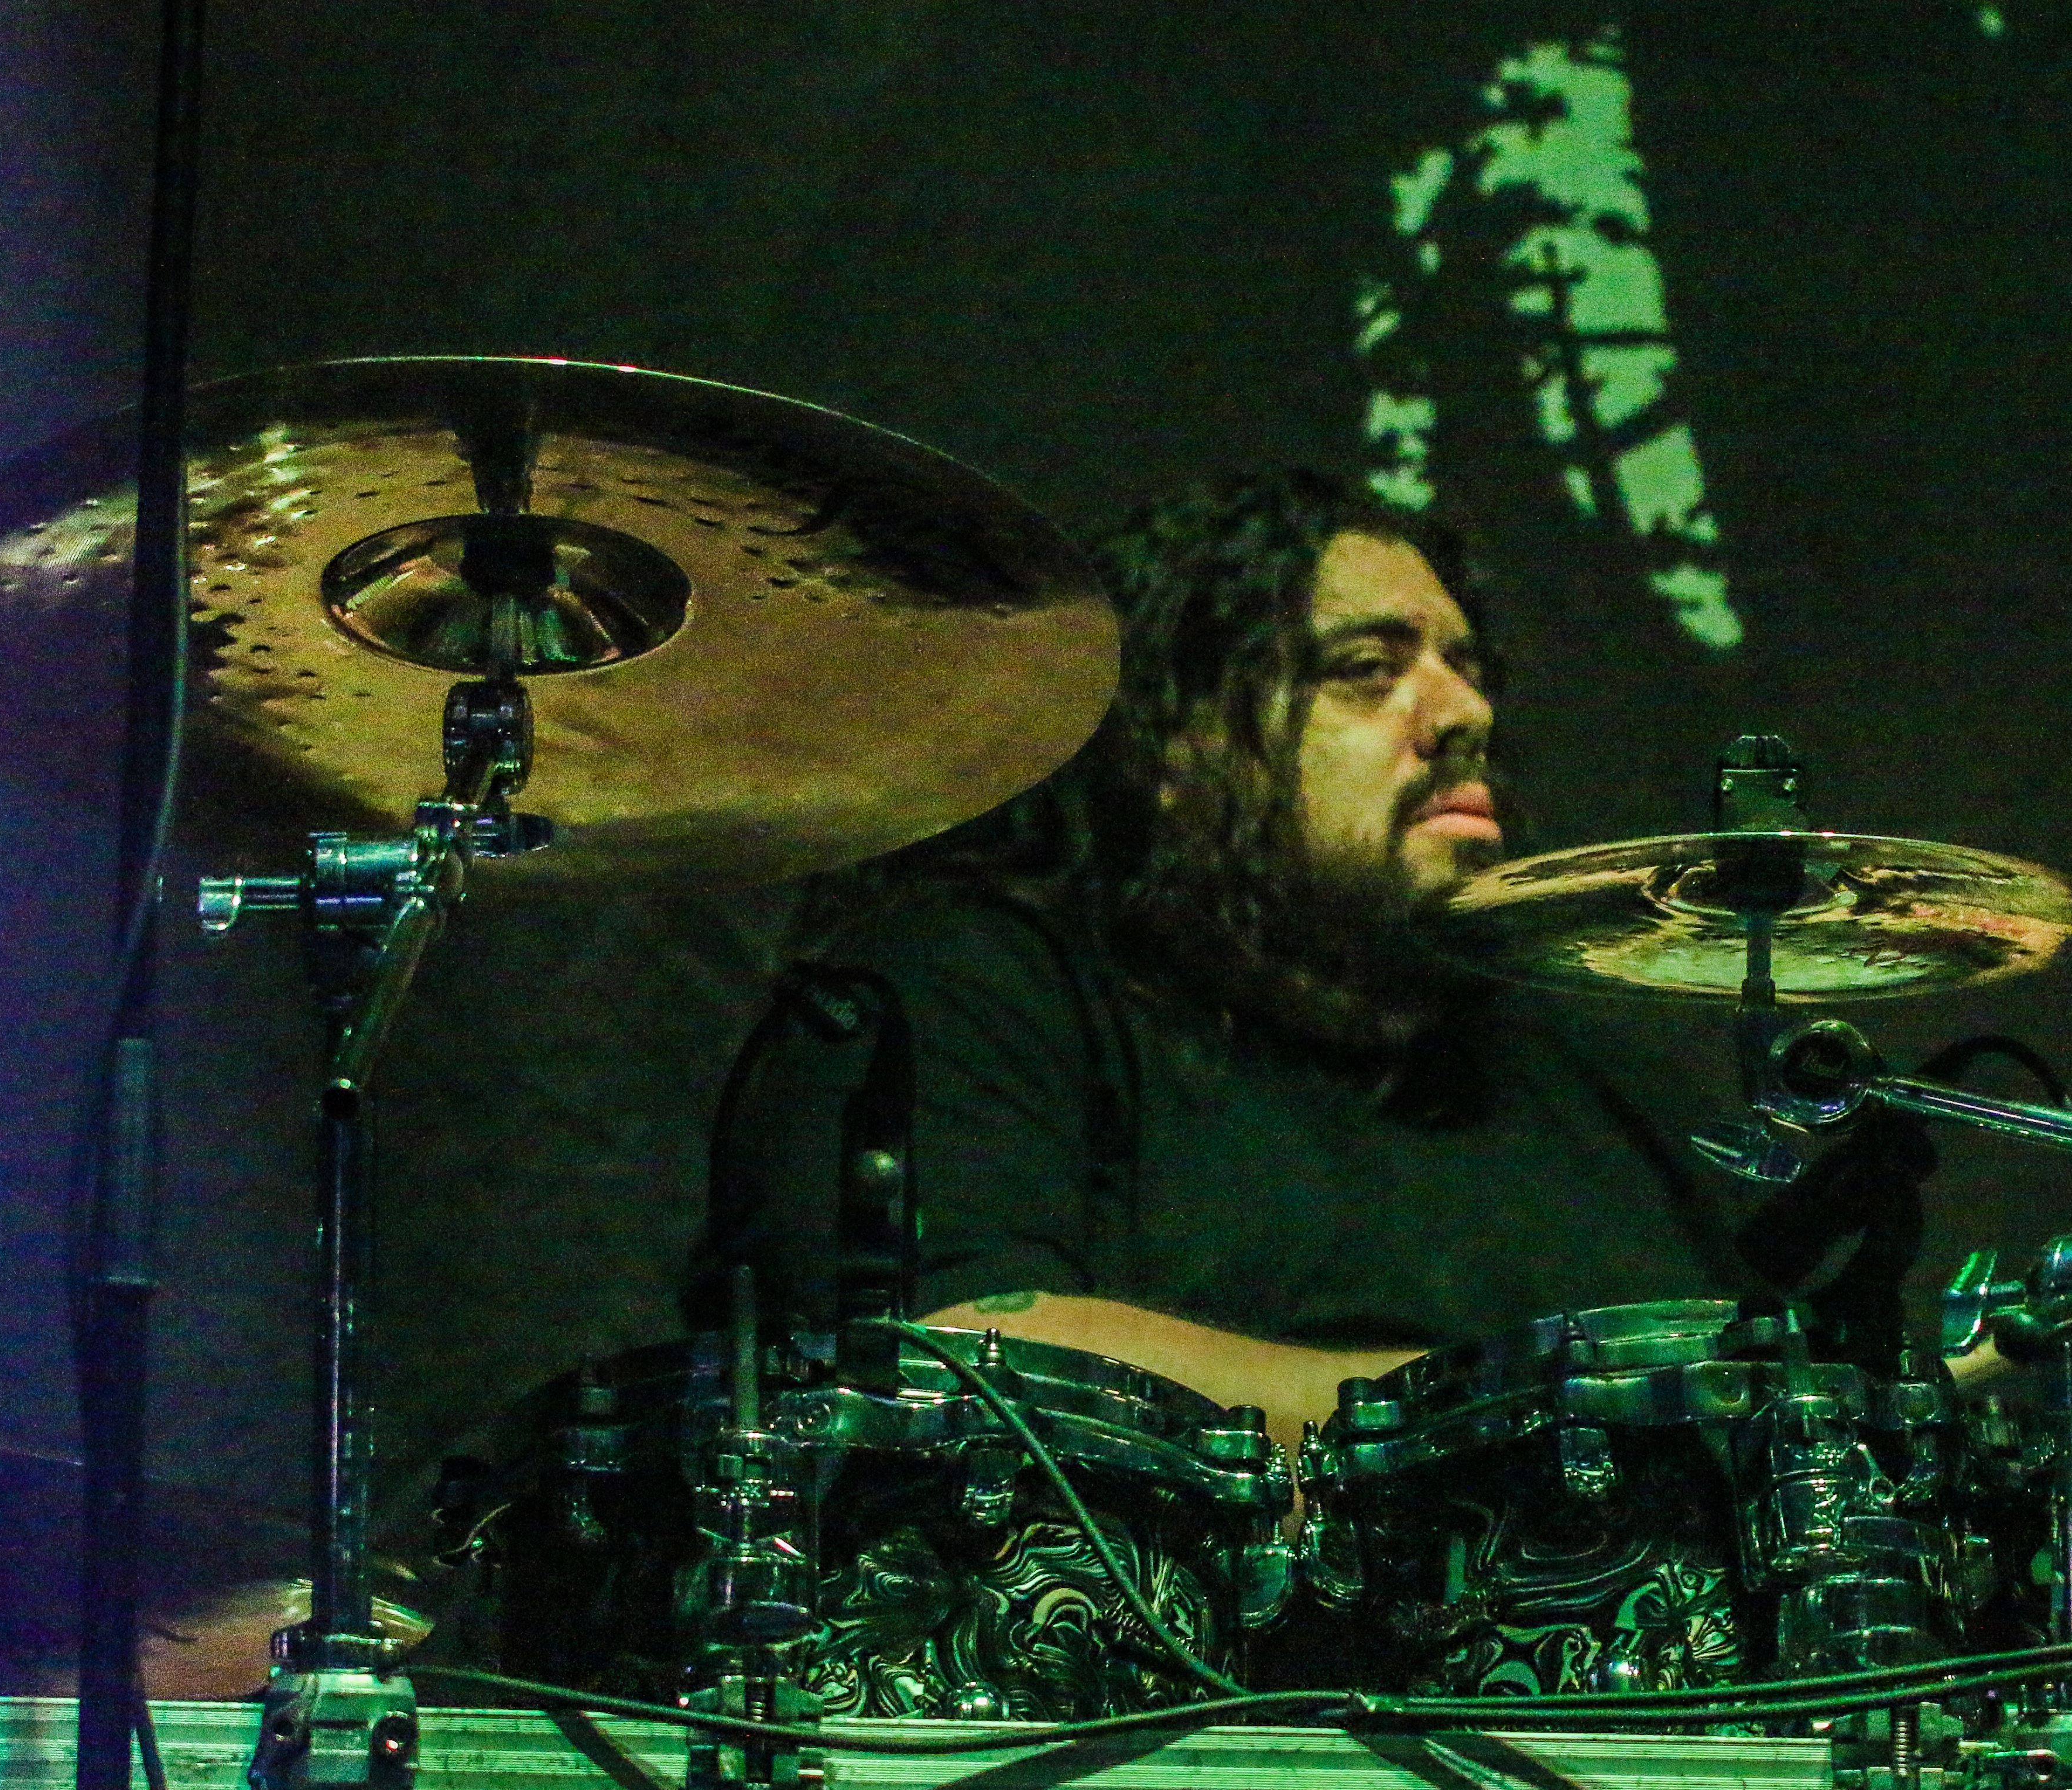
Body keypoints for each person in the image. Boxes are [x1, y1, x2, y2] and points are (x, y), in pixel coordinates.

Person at [704, 469, 1745, 1446]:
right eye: (1367, 671)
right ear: (1172, 738)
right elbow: (954, 1362)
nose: (1463, 713)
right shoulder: (973, 991)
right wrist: (1500, 1420)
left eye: (1465, 668)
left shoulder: (1580, 1068)